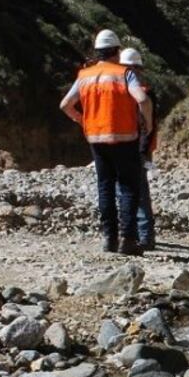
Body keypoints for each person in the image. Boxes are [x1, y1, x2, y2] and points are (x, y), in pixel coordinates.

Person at [59, 29, 152, 256]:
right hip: (125, 138)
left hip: (96, 138)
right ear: (117, 51)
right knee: (129, 188)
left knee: (105, 188)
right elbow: (142, 99)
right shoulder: (124, 73)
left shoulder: (84, 76)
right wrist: (147, 123)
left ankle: (109, 239)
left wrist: (83, 121)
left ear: (98, 51)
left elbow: (65, 105)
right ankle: (128, 240)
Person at [119, 47, 157, 250]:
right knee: (133, 192)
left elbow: (147, 128)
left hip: (136, 148)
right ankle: (139, 235)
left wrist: (142, 151)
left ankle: (145, 237)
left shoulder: (142, 93)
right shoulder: (133, 92)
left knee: (138, 192)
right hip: (131, 148)